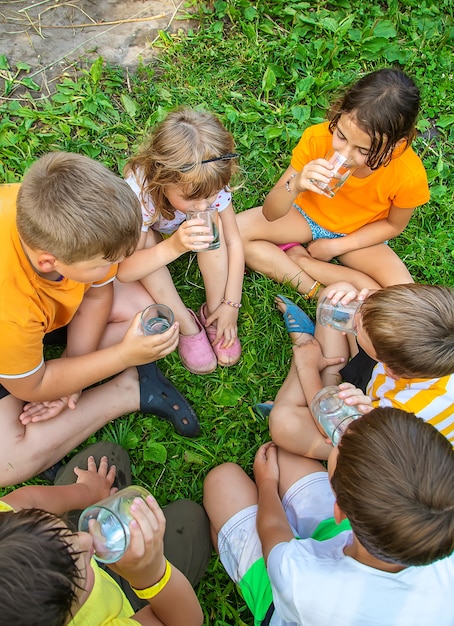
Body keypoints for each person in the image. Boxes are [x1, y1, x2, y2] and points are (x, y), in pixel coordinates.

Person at [0, 152, 200, 487]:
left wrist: (72, 375)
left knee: (145, 313)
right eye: (105, 262)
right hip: (12, 339)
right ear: (49, 261)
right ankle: (127, 390)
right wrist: (123, 357)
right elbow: (30, 388)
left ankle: (81, 378)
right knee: (5, 461)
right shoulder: (12, 311)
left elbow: (96, 294)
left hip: (39, 318)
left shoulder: (49, 214)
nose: (116, 268)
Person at [204, 409, 454, 626]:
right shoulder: (438, 525)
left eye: (338, 448)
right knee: (286, 456)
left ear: (340, 511)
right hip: (357, 542)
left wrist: (267, 482)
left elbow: (273, 532)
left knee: (222, 480)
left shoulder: (305, 584)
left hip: (291, 593)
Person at [237, 68, 430, 295]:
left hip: (360, 233)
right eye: (340, 136)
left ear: (396, 145)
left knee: (406, 297)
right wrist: (296, 184)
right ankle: (317, 292)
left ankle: (304, 262)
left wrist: (336, 246)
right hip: (305, 216)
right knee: (234, 233)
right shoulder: (317, 139)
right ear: (339, 113)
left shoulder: (408, 173)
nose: (346, 154)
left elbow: (393, 225)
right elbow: (271, 212)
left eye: (363, 150)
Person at [0, 442, 211, 626]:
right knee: (191, 522)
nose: (85, 538)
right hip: (121, 598)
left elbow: (28, 501)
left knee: (106, 456)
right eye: (77, 564)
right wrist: (149, 573)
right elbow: (182, 621)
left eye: (67, 535)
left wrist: (86, 491)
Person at [118, 106, 244, 374]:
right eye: (191, 198)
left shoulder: (209, 183)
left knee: (215, 224)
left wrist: (231, 303)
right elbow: (126, 271)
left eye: (210, 196)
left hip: (183, 236)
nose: (202, 205)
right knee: (149, 244)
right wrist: (173, 246)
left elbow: (234, 241)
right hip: (149, 234)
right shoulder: (140, 192)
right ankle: (186, 323)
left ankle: (213, 313)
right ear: (161, 177)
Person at [268, 283, 454, 459]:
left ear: (390, 370)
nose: (355, 315)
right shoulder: (434, 335)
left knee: (284, 423)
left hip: (382, 448)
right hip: (382, 385)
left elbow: (345, 433)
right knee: (337, 296)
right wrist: (369, 300)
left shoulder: (405, 413)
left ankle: (304, 351)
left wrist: (306, 368)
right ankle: (317, 388)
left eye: (356, 328)